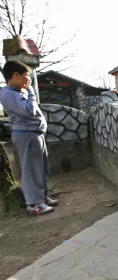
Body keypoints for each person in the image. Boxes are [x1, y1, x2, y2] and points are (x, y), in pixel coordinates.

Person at [0, 60, 58, 215]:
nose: (29, 79)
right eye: (27, 76)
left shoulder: (18, 91)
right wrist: (31, 91)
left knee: (42, 169)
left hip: (34, 133)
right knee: (31, 170)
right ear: (16, 75)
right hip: (25, 135)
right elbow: (29, 110)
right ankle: (34, 204)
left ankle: (43, 197)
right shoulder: (7, 94)